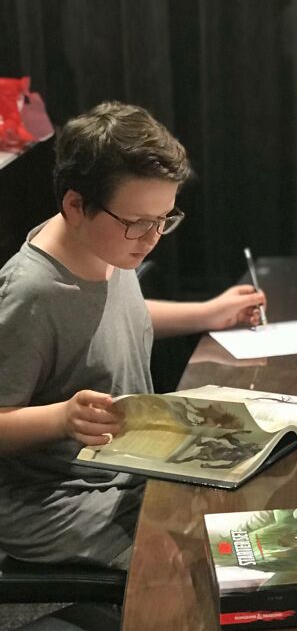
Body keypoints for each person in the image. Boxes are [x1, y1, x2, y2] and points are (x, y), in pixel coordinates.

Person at [0, 101, 266, 568]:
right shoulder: (30, 293)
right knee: (215, 563)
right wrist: (62, 418)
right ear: (75, 205)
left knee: (257, 497)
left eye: (164, 218)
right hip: (60, 501)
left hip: (127, 469)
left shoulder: (106, 245)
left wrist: (208, 313)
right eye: (139, 223)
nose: (153, 237)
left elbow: (116, 318)